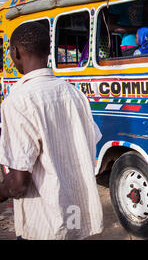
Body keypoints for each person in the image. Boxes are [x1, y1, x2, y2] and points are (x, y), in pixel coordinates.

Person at [0, 22, 104, 240]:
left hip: (44, 225)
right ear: (49, 51)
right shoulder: (74, 94)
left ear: (15, 52)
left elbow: (19, 183)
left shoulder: (18, 101)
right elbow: (89, 143)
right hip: (75, 220)